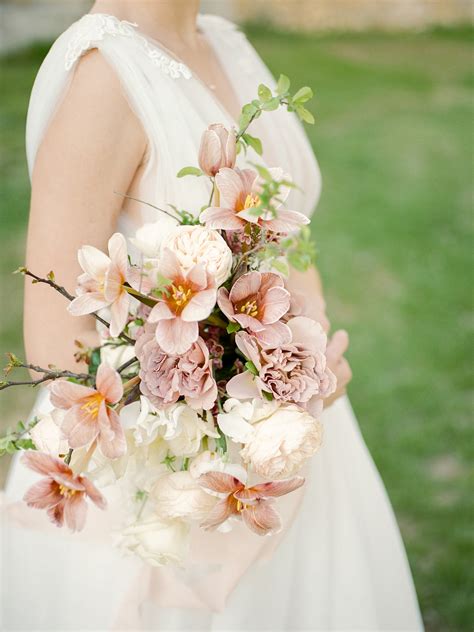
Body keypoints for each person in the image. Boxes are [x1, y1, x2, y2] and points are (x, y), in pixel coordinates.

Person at [2, 1, 423, 629]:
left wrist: (309, 361)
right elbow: (57, 338)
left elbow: (284, 235)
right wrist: (214, 426)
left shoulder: (224, 41)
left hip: (295, 422)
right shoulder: (105, 75)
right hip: (165, 452)